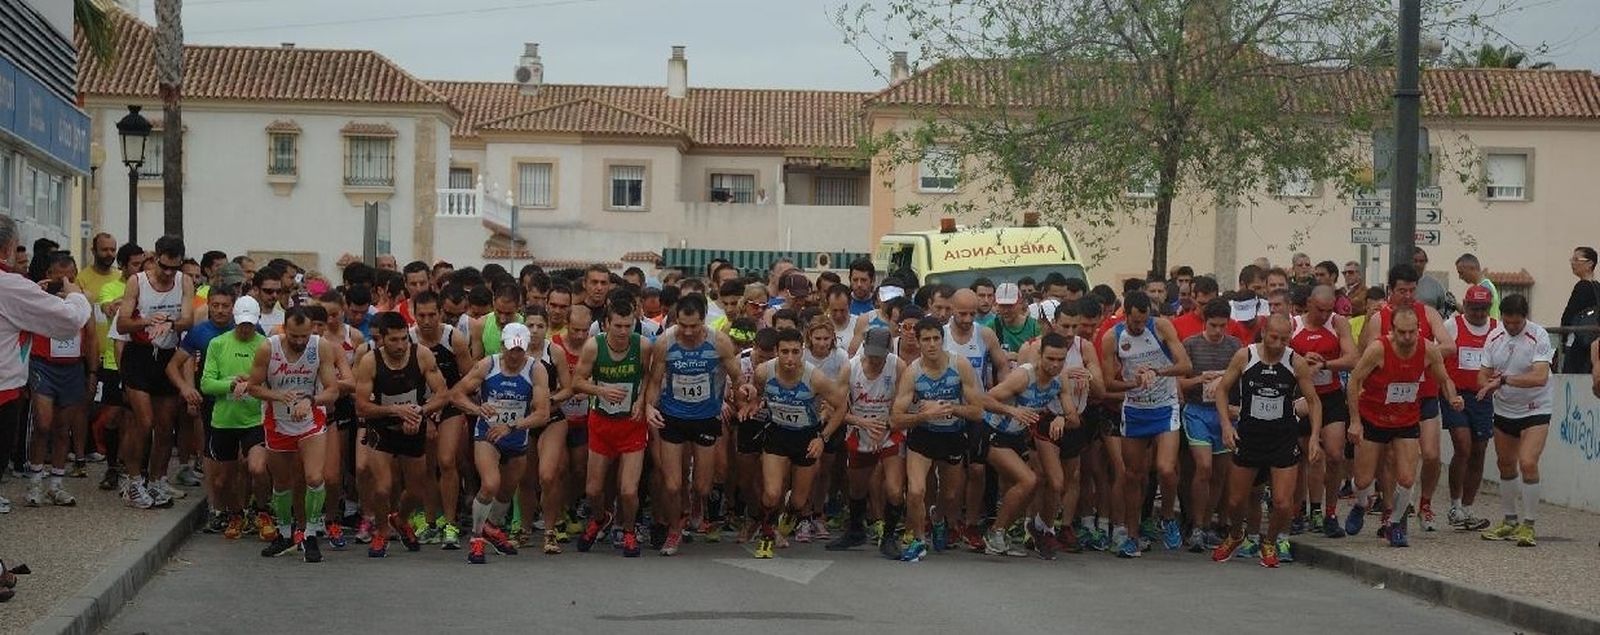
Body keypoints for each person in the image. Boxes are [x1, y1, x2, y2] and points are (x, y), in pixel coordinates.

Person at [1345, 305, 1463, 548]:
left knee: (1407, 478)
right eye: (1402, 332)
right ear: (1392, 330)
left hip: (1406, 419)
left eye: (1412, 332)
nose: (1407, 337)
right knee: (1363, 479)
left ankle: (1395, 524)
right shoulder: (1378, 349)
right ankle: (1361, 503)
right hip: (1374, 417)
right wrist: (1355, 422)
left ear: (1419, 329)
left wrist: (1453, 397)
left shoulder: (1428, 349)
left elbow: (1444, 379)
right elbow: (1354, 381)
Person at [1210, 315, 1323, 568]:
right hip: (1249, 436)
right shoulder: (1245, 356)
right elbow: (1222, 390)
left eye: (1284, 339)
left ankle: (1269, 541)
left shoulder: (1295, 362)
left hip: (1283, 437)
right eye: (1274, 337)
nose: (1279, 344)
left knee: (1283, 503)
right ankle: (1236, 534)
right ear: (1263, 333)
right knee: (1235, 501)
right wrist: (1226, 425)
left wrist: (1315, 437)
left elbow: (1314, 401)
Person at [643, 294, 747, 555]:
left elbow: (737, 376)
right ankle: (674, 530)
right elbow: (654, 382)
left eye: (694, 326)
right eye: (683, 325)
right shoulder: (665, 342)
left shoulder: (719, 341)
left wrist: (744, 392)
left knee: (702, 486)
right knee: (672, 484)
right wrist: (649, 407)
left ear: (704, 321)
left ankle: (694, 506)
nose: (688, 332)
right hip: (673, 416)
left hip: (705, 417)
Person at [246, 306, 345, 562]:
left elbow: (332, 390)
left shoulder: (320, 347)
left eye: (304, 336)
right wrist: (277, 395)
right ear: (284, 329)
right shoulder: (268, 348)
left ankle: (310, 534)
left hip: (310, 420)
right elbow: (253, 387)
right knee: (282, 482)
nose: (300, 341)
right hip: (278, 421)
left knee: (314, 477)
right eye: (294, 336)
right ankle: (285, 532)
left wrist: (311, 401)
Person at [351, 311, 452, 558]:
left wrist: (419, 412)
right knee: (382, 488)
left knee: (416, 490)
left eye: (404, 339)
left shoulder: (422, 355)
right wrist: (394, 411)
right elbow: (361, 406)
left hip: (413, 425)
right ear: (382, 339)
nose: (400, 345)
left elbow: (442, 394)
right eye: (393, 340)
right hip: (382, 428)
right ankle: (382, 531)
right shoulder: (370, 361)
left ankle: (400, 519)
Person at [1100, 292, 1192, 557]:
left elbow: (1185, 365)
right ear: (1125, 315)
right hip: (1136, 408)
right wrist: (1133, 382)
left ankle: (1168, 517)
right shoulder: (1113, 337)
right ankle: (1132, 535)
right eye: (1135, 322)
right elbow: (1108, 383)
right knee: (1133, 474)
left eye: (1144, 321)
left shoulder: (1161, 327)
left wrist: (1158, 371)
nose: (1140, 326)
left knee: (1165, 468)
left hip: (1165, 405)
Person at [451, 321, 552, 563]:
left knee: (506, 491)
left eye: (519, 350)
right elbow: (456, 394)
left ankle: (492, 527)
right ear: (502, 346)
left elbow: (543, 414)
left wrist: (512, 426)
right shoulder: (489, 365)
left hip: (515, 436)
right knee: (490, 484)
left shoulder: (536, 369)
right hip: (488, 434)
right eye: (510, 349)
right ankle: (477, 538)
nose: (515, 355)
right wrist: (477, 409)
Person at [891, 316, 986, 562]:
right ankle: (918, 540)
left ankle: (937, 518)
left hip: (952, 434)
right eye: (926, 339)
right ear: (918, 342)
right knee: (916, 491)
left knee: (950, 495)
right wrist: (925, 415)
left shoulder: (959, 364)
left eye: (936, 339)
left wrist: (948, 408)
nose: (932, 344)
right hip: (923, 436)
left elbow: (978, 411)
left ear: (942, 340)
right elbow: (896, 419)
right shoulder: (913, 372)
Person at [748, 328, 847, 559]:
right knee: (772, 493)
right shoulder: (763, 371)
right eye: (784, 352)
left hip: (806, 438)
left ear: (802, 351)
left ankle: (789, 516)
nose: (790, 358)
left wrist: (822, 438)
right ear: (776, 351)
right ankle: (767, 535)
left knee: (799, 501)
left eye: (795, 352)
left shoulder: (815, 378)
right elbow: (757, 392)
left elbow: (842, 406)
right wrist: (753, 402)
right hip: (777, 434)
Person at [115, 235, 197, 509]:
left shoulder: (184, 282)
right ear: (155, 258)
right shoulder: (137, 281)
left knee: (164, 425)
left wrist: (171, 324)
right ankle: (133, 481)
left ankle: (156, 479)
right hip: (139, 355)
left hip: (167, 356)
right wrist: (146, 321)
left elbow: (188, 320)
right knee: (144, 421)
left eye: (174, 267)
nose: (168, 273)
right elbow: (123, 324)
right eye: (164, 266)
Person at [981, 333, 1077, 557]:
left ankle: (1012, 531)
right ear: (1040, 355)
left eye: (1061, 360)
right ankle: (995, 533)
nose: (1055, 365)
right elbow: (984, 399)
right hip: (993, 431)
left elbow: (1074, 418)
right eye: (1050, 359)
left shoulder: (1059, 380)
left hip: (1017, 436)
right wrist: (1011, 410)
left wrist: (1062, 418)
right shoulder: (1024, 376)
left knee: (1036, 482)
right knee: (1028, 480)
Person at [573, 298, 651, 557]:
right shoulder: (593, 347)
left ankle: (628, 531)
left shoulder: (643, 346)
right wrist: (601, 390)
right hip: (602, 423)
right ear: (606, 324)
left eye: (628, 326)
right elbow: (577, 382)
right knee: (593, 490)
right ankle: (600, 518)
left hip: (631, 425)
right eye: (617, 326)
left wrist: (642, 400)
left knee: (628, 490)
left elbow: (650, 376)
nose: (623, 332)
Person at [1475, 294, 1554, 547]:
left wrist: (1504, 380)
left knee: (1528, 462)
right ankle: (1510, 520)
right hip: (1505, 408)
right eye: (1507, 322)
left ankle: (1528, 524)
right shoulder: (1494, 336)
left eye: (1516, 323)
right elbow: (1483, 374)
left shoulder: (1538, 335)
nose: (1511, 327)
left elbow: (1539, 377)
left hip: (1535, 407)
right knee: (1505, 464)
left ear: (1525, 317)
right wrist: (1487, 385)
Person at [22, 253, 97, 508]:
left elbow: (91, 337)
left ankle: (56, 484)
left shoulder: (82, 302)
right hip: (43, 365)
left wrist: (92, 372)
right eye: (59, 278)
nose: (64, 283)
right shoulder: (38, 298)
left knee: (63, 428)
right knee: (43, 424)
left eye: (70, 278)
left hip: (72, 368)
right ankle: (34, 482)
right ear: (48, 275)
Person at [197, 295, 271, 540]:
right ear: (235, 320)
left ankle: (262, 511)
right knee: (223, 479)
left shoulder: (265, 345)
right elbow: (206, 384)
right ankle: (236, 514)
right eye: (242, 323)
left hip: (255, 419)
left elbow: (272, 382)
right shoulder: (218, 344)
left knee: (257, 468)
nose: (246, 328)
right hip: (225, 420)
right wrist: (230, 384)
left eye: (250, 323)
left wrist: (251, 384)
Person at [828, 327, 907, 557]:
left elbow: (901, 405)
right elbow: (836, 409)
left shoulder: (898, 366)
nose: (875, 360)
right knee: (857, 487)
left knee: (894, 490)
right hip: (859, 431)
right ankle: (855, 530)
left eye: (880, 356)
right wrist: (862, 423)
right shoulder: (850, 368)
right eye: (871, 355)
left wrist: (885, 425)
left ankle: (889, 536)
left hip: (888, 431)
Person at [409, 291, 473, 549]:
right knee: (427, 466)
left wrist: (446, 401)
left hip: (450, 405)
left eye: (432, 315)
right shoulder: (409, 340)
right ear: (414, 314)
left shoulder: (453, 338)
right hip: (421, 406)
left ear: (440, 314)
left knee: (447, 461)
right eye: (421, 315)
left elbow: (469, 378)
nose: (427, 321)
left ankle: (450, 523)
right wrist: (425, 413)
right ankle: (430, 521)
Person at [1177, 299, 1241, 551]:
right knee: (1203, 467)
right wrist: (1200, 379)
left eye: (1223, 326)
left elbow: (1242, 378)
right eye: (1213, 325)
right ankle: (1195, 526)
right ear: (1205, 322)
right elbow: (1178, 383)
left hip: (1224, 414)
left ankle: (1205, 525)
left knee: (1219, 473)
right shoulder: (1190, 344)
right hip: (1197, 412)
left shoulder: (1235, 346)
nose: (1218, 331)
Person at [1442, 286, 1499, 531]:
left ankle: (1467, 506)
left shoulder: (1496, 329)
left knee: (1479, 450)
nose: (1479, 313)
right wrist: (1447, 388)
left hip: (1482, 397)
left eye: (1483, 308)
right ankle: (1454, 505)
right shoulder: (1452, 326)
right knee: (1462, 446)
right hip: (1455, 395)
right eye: (1474, 308)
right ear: (1465, 305)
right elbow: (1437, 356)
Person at [1559, 247, 1598, 374]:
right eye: (1572, 259)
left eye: (1576, 259)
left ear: (1590, 264)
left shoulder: (1582, 287)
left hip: (1578, 342)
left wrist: (1563, 336)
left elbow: (1568, 315)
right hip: (1594, 342)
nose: (1572, 263)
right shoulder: (1597, 287)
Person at [1455, 254, 1499, 318]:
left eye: (1461, 273)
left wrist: (1456, 305)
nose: (1460, 277)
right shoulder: (1485, 285)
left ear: (1472, 268)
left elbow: (1477, 317)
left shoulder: (1484, 288)